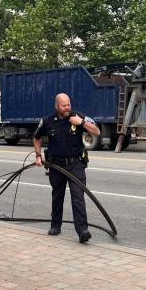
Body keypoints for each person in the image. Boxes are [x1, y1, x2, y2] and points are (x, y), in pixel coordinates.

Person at [33, 93, 100, 243]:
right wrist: (38, 156)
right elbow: (37, 138)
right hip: (56, 165)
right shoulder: (48, 121)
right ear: (57, 106)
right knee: (57, 196)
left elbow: (97, 131)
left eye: (69, 104)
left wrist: (81, 122)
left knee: (78, 197)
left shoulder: (77, 117)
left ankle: (82, 230)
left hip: (76, 164)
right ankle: (55, 226)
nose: (67, 107)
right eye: (64, 105)